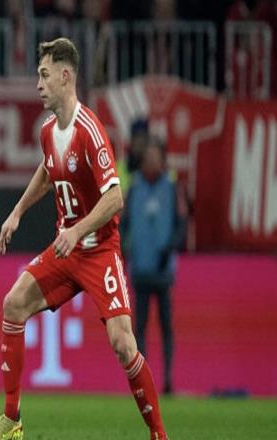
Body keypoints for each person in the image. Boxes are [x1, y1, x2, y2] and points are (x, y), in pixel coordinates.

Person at [0, 37, 168, 440]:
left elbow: (115, 197)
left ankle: (159, 435)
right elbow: (47, 171)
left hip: (98, 251)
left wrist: (77, 230)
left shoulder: (90, 131)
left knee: (124, 345)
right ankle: (12, 421)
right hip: (65, 250)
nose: (38, 84)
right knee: (13, 304)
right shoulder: (48, 131)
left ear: (65, 76)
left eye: (44, 75)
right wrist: (17, 212)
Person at [121, 139, 187, 395]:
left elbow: (182, 225)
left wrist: (169, 248)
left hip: (163, 270)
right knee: (139, 328)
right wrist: (125, 248)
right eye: (147, 157)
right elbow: (123, 223)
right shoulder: (134, 188)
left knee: (166, 325)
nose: (150, 162)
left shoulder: (172, 189)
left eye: (154, 157)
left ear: (162, 160)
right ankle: (143, 381)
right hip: (140, 269)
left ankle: (168, 378)